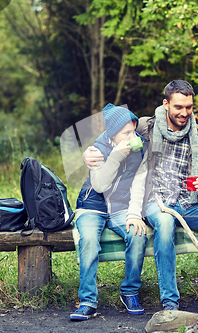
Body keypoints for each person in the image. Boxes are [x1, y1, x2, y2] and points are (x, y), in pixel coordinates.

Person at [83, 80, 198, 311]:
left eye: (189, 107)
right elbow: (113, 131)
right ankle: (170, 302)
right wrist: (90, 152)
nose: (184, 112)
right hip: (155, 201)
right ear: (166, 104)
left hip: (190, 201)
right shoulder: (146, 126)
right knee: (165, 224)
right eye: (178, 107)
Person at [70, 104, 148, 321]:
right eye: (127, 133)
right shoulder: (97, 150)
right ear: (113, 135)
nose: (133, 136)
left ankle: (129, 291)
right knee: (88, 242)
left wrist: (134, 213)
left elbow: (139, 183)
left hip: (121, 207)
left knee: (137, 234)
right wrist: (115, 156)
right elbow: (99, 186)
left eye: (134, 131)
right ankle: (87, 301)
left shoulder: (139, 149)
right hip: (92, 205)